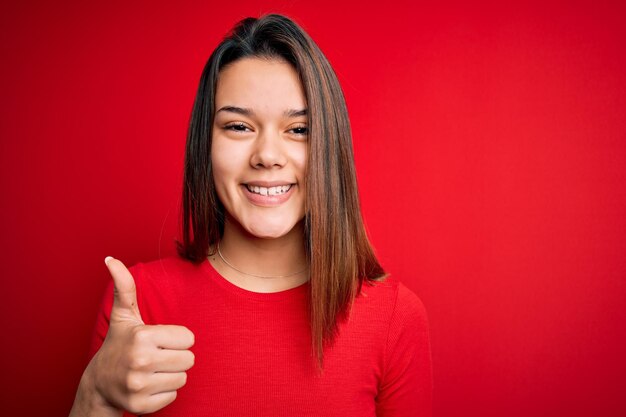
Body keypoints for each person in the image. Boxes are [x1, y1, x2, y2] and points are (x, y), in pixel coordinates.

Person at [69, 14, 432, 417]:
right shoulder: (139, 304)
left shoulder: (394, 318)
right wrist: (95, 395)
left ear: (330, 146)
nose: (267, 157)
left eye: (298, 130)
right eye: (239, 126)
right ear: (205, 143)